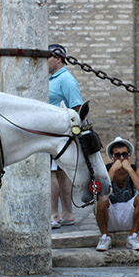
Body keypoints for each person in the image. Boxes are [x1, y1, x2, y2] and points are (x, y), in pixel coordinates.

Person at [48, 43, 83, 229]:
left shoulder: (66, 80)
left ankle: (55, 215)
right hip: (52, 134)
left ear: (58, 59)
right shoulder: (52, 78)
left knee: (52, 173)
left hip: (58, 135)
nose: (45, 61)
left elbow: (77, 107)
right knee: (60, 174)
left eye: (48, 57)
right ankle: (67, 214)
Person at [95, 137, 139, 252]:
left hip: (129, 214)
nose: (121, 158)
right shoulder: (105, 171)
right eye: (117, 155)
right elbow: (100, 193)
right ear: (111, 157)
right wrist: (112, 171)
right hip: (110, 214)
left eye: (124, 154)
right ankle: (105, 236)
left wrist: (130, 170)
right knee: (100, 199)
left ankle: (133, 236)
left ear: (129, 156)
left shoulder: (136, 171)